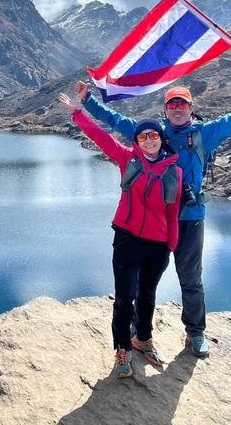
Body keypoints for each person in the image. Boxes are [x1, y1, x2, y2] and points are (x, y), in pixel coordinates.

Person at [74, 59, 231, 357]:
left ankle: (195, 332)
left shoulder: (204, 133)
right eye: (172, 105)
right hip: (154, 221)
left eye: (183, 105)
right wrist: (87, 101)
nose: (178, 109)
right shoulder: (153, 134)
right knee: (144, 280)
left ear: (191, 108)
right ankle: (137, 330)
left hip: (190, 219)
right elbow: (116, 122)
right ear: (165, 110)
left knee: (191, 279)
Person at [59, 92, 182, 378]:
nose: (149, 140)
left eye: (154, 135)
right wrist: (78, 113)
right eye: (142, 137)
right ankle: (123, 349)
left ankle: (143, 338)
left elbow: (172, 212)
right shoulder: (128, 159)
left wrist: (171, 244)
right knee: (125, 297)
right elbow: (101, 137)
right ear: (136, 142)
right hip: (127, 239)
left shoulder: (173, 170)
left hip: (158, 245)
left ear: (162, 139)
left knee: (148, 295)